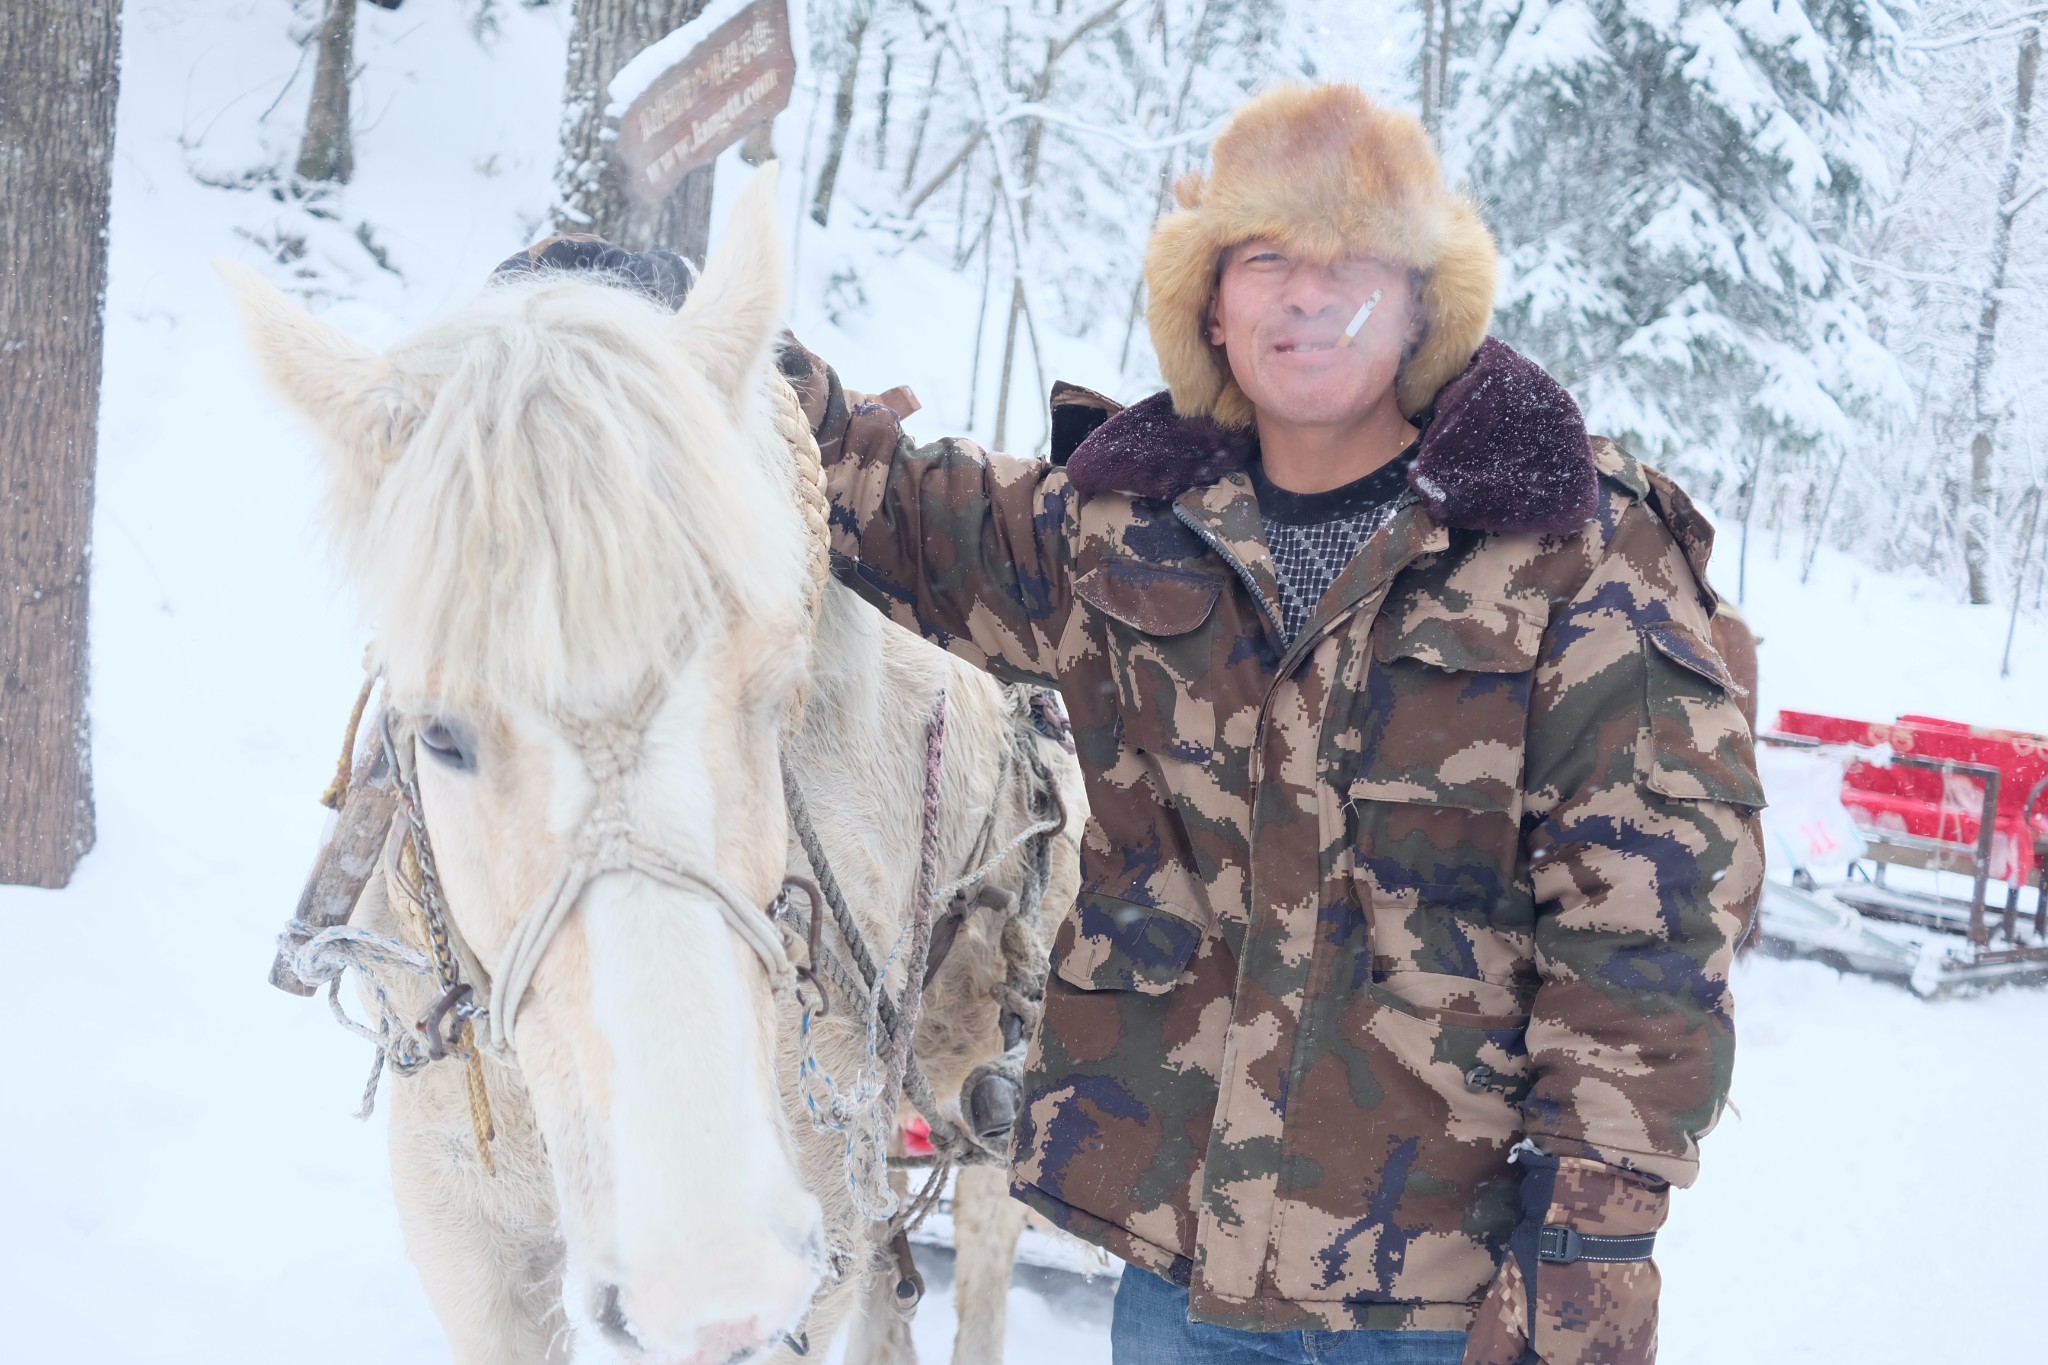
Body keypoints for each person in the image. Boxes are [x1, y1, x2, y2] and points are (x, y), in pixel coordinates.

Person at [521, 81, 1765, 1365]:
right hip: (1179, 1289)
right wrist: (688, 337)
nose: (1305, 295)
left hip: (1443, 1301)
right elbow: (884, 505)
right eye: (1264, 258)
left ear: (1420, 303)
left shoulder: (1572, 544)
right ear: (1209, 309)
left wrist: (1584, 1254)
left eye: (1352, 262)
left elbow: (1649, 925)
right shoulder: (1125, 527)